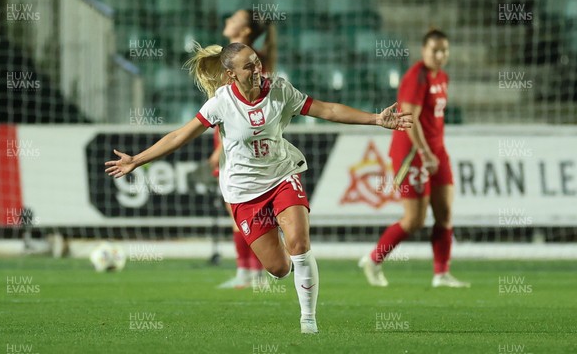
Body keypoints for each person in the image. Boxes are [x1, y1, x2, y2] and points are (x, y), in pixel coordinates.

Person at [105, 42, 412, 334]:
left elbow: (327, 110)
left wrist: (375, 119)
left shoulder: (279, 90)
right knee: (279, 268)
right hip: (243, 191)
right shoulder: (221, 103)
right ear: (231, 75)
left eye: (257, 62)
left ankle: (308, 320)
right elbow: (179, 136)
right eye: (248, 66)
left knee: (300, 245)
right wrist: (137, 160)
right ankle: (288, 260)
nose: (257, 69)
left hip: (282, 176)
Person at [359, 29, 470, 288]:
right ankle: (374, 260)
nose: (440, 55)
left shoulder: (442, 77)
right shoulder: (415, 77)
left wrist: (435, 151)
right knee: (415, 219)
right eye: (435, 50)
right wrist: (425, 152)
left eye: (444, 50)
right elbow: (410, 120)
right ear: (424, 51)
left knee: (445, 212)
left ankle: (441, 273)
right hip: (413, 153)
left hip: (436, 151)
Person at [209, 9, 277, 289]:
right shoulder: (232, 58)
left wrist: (222, 149)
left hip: (239, 146)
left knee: (242, 215)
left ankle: (250, 273)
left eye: (234, 18)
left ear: (246, 31)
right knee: (244, 216)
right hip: (227, 140)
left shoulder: (250, 63)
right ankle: (253, 274)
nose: (227, 20)